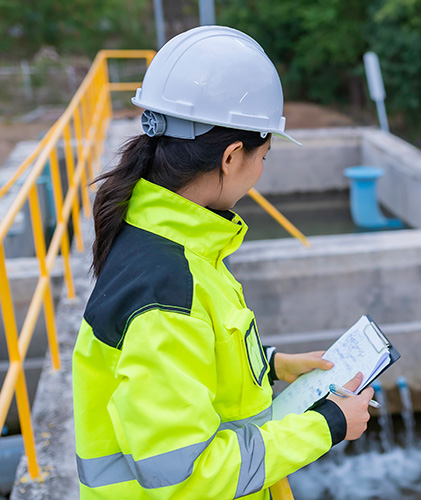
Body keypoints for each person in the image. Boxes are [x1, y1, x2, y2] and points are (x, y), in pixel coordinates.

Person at [72, 26, 374, 499]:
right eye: (264, 156)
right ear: (232, 157)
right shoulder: (169, 290)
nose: (260, 170)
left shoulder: (169, 242)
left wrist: (271, 366)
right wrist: (325, 425)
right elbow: (187, 478)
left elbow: (188, 363)